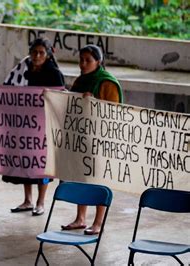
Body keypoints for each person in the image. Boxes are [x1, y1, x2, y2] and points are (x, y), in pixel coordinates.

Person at [61, 44, 123, 235]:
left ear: (99, 61)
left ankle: (98, 222)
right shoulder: (81, 81)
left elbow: (113, 112)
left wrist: (94, 100)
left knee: (98, 179)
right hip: (81, 137)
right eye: (81, 60)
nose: (83, 64)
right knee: (81, 177)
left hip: (100, 140)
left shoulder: (108, 83)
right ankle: (80, 218)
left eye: (88, 60)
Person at [3, 37, 64, 216]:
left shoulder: (53, 73)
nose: (37, 56)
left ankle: (40, 202)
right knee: (25, 162)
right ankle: (27, 200)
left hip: (43, 127)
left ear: (48, 54)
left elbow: (60, 97)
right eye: (34, 52)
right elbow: (8, 88)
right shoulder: (22, 69)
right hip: (24, 125)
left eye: (41, 53)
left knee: (41, 164)